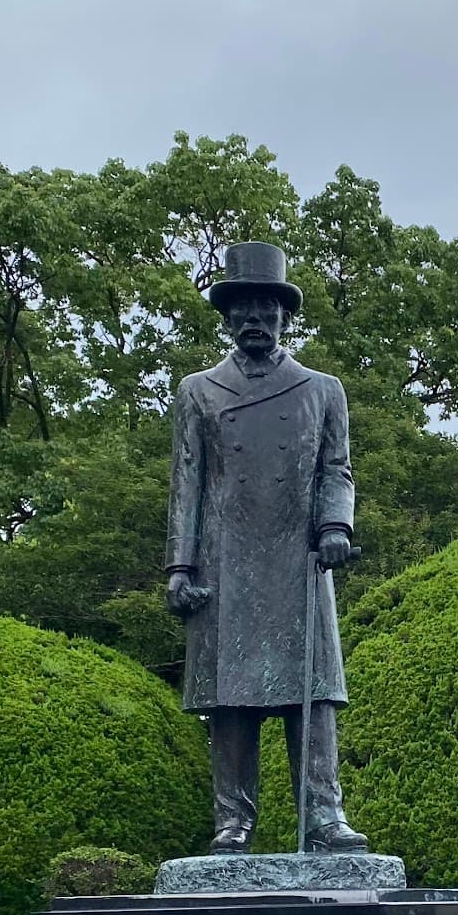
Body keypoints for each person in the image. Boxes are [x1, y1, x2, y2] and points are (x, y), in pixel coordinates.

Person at [164, 241, 367, 855]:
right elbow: (186, 483)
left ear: (284, 317)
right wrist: (180, 565)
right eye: (242, 309)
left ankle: (323, 815)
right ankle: (233, 820)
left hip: (297, 556)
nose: (254, 318)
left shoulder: (322, 389)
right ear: (226, 319)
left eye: (266, 308)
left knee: (315, 693)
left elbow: (338, 470)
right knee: (230, 700)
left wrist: (336, 529)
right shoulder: (198, 391)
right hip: (225, 561)